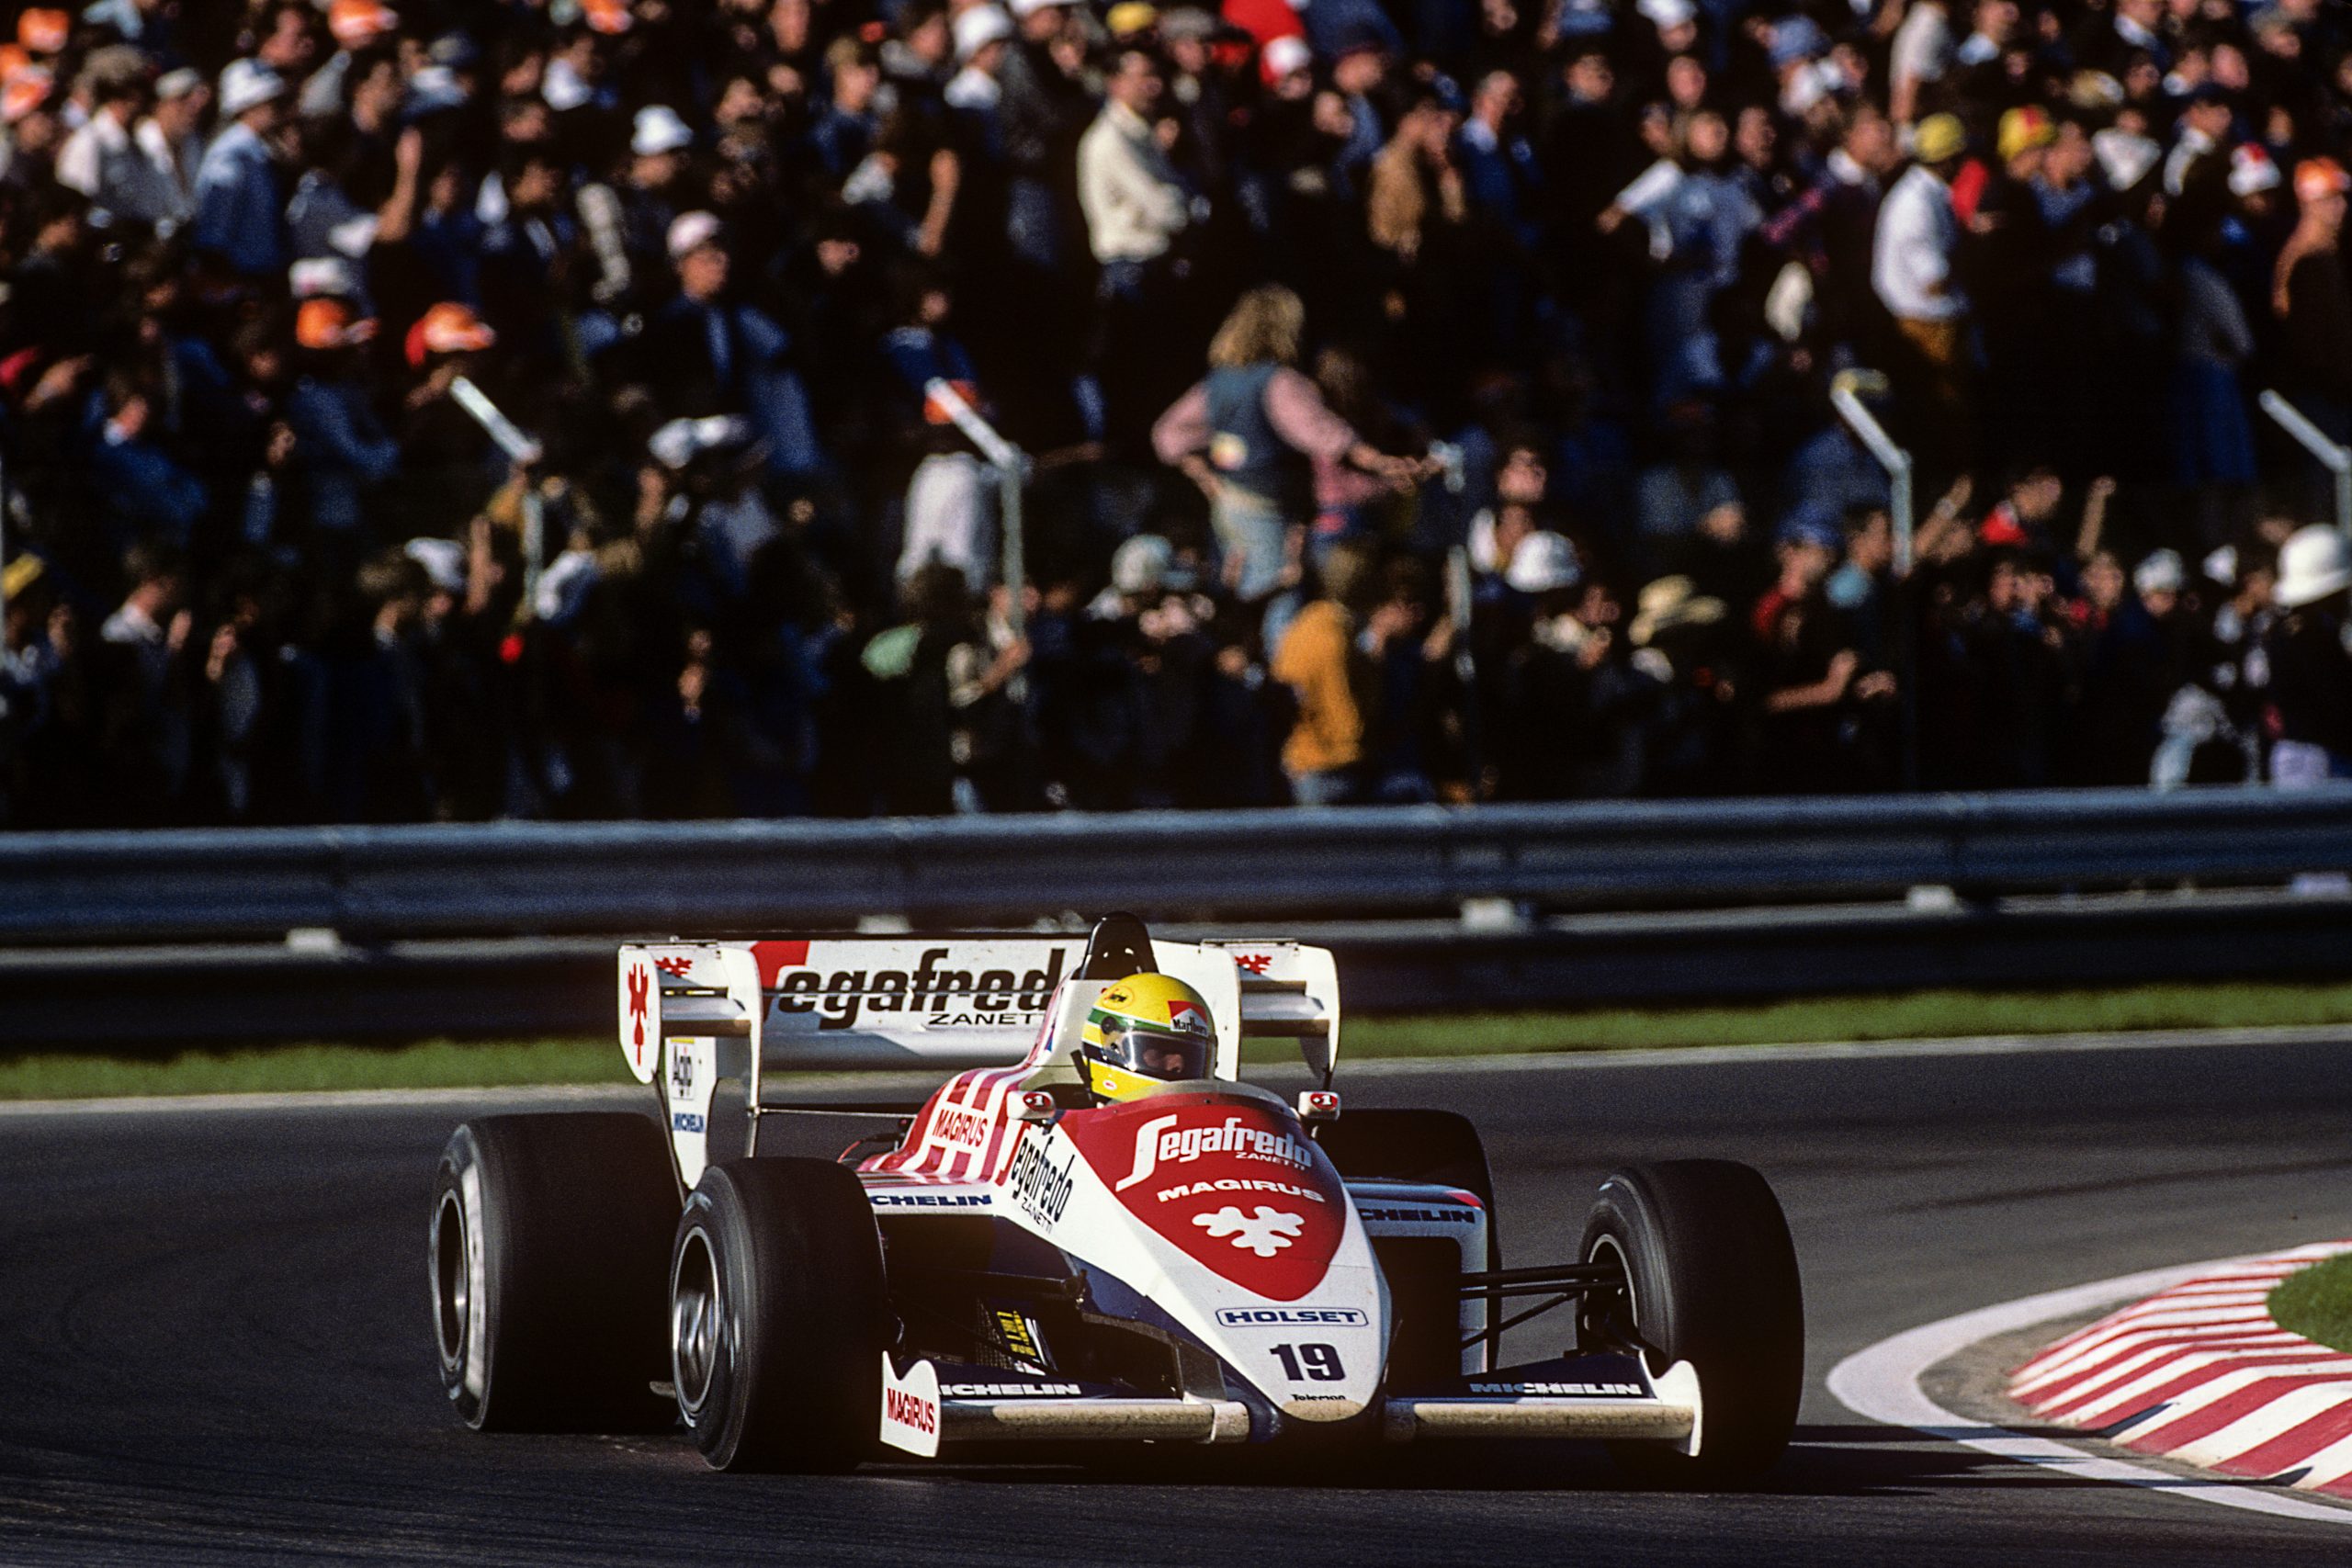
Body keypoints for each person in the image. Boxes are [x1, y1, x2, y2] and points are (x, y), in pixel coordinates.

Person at [1152, 285, 1419, 607]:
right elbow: (1322, 433)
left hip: (1229, 505)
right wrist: (1378, 461)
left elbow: (1167, 435)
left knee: (1240, 598)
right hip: (1268, 510)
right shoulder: (1278, 382)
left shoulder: (1216, 383)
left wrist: (1205, 475)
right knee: (1282, 600)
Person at [1076, 972, 1215, 1101]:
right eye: (1161, 1050)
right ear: (1112, 1047)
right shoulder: (1064, 1125)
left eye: (1191, 1055)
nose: (1178, 1063)